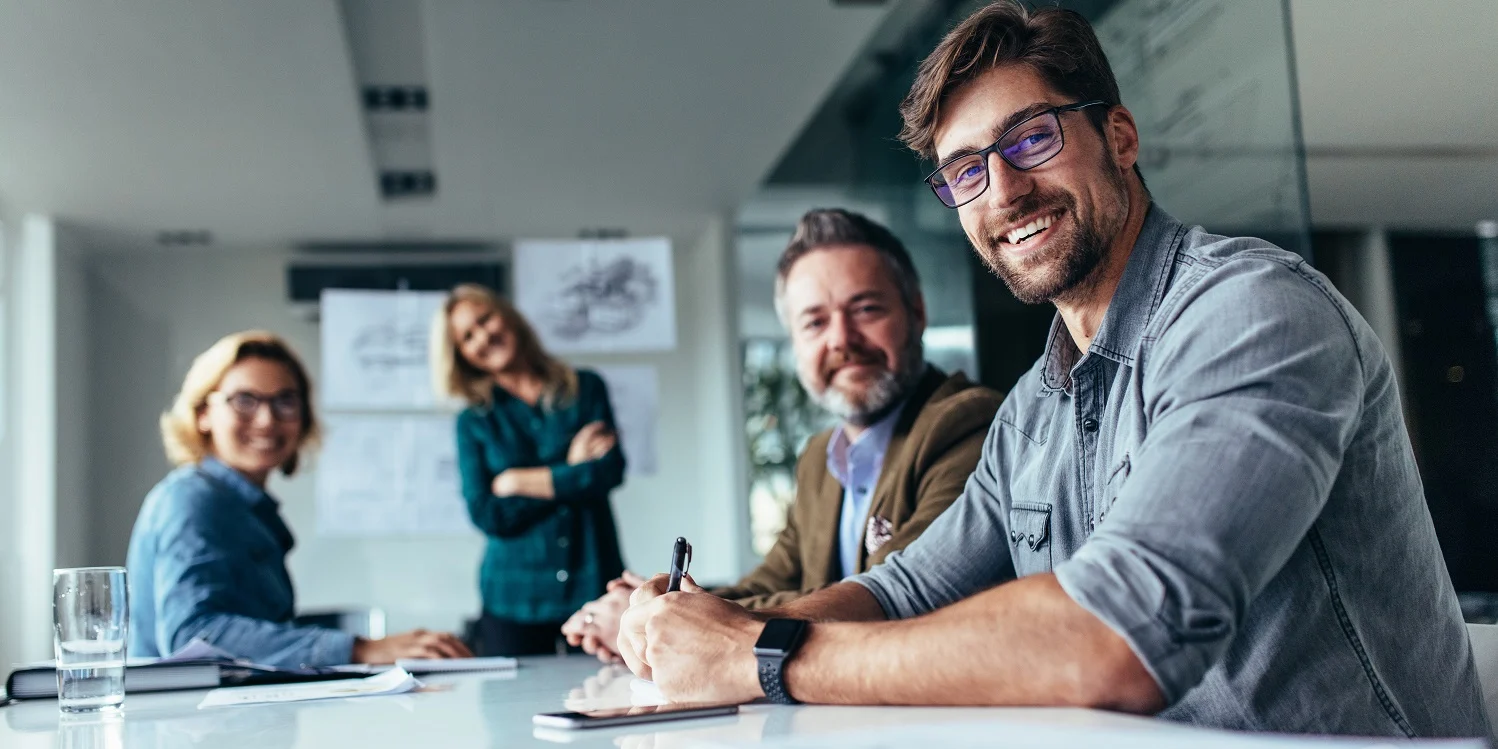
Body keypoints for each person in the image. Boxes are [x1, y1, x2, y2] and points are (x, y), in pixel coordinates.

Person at [615, 2, 1491, 738]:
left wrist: (764, 656)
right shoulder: (1034, 407)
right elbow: (905, 587)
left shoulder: (1251, 312)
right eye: (964, 172)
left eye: (1030, 139)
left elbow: (1121, 634)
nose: (1001, 191)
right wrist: (717, 630)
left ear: (1119, 135)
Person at [560, 209, 1003, 660]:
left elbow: (894, 594)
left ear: (917, 312)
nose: (840, 339)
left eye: (866, 309)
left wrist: (668, 620)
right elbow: (774, 581)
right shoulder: (819, 458)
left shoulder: (965, 424)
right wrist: (665, 607)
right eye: (815, 322)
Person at [128, 331, 471, 668]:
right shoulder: (194, 501)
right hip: (185, 721)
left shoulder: (246, 508)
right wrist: (359, 649)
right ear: (203, 413)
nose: (267, 419)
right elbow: (193, 636)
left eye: (285, 401)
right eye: (244, 400)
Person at [433, 283, 627, 656]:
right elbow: (488, 513)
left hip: (593, 581)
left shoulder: (585, 388)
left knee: (609, 698)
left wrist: (517, 481)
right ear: (461, 355)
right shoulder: (473, 420)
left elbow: (609, 472)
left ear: (506, 315)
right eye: (467, 336)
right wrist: (571, 468)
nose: (483, 336)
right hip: (513, 598)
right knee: (510, 710)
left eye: (485, 319)